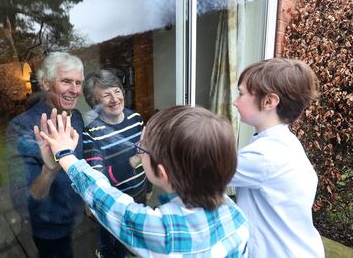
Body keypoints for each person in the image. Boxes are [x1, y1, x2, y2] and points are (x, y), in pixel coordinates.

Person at [35, 105, 250, 257]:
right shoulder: (236, 214)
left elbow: (105, 199)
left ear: (163, 173)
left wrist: (65, 155)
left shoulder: (165, 232)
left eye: (141, 148)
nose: (138, 149)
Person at [229, 58, 325, 257]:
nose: (235, 102)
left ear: (269, 101)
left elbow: (197, 172)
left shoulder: (263, 156)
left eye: (241, 93)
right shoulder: (285, 143)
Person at [6, 52, 85, 258]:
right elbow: (21, 202)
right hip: (49, 228)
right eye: (66, 81)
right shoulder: (21, 127)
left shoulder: (75, 118)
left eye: (78, 82)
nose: (75, 90)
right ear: (45, 83)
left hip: (77, 217)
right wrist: (49, 170)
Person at [82, 69, 152, 258]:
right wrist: (134, 159)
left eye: (117, 91)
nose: (115, 98)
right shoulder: (92, 132)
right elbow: (100, 180)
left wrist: (148, 186)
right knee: (115, 247)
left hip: (139, 197)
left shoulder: (136, 119)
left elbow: (148, 155)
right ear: (95, 103)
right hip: (114, 207)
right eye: (106, 95)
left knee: (136, 241)